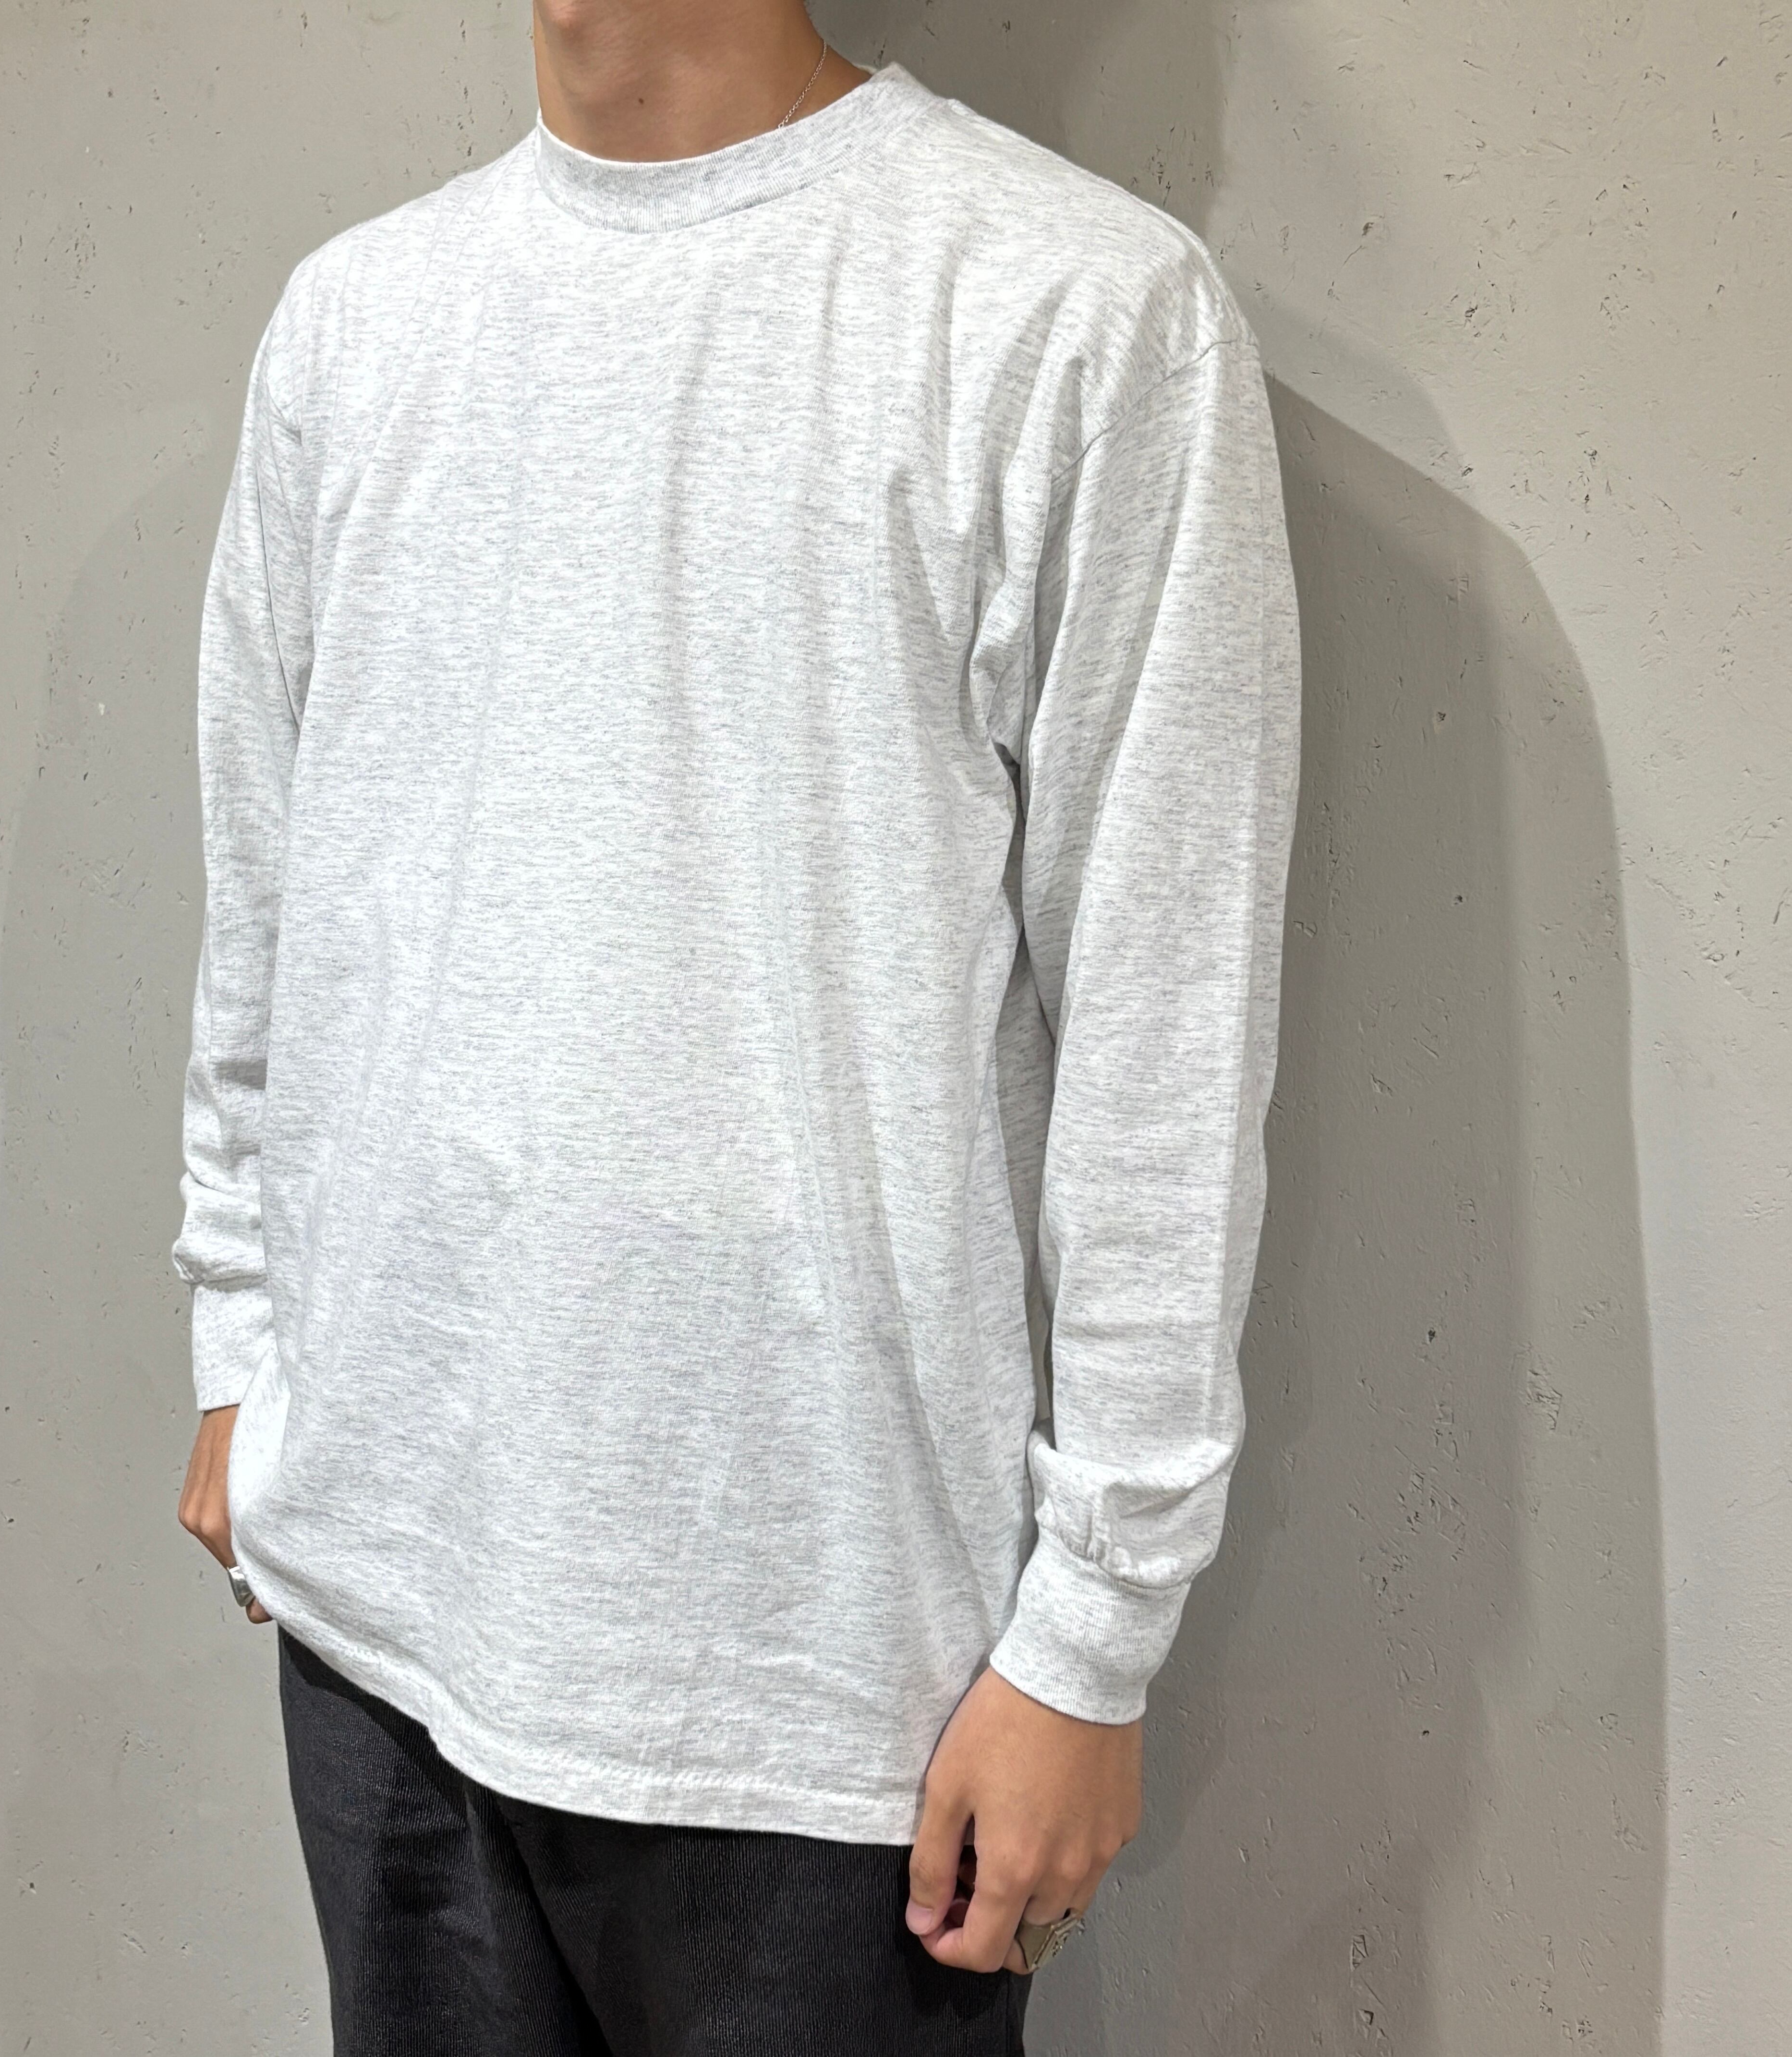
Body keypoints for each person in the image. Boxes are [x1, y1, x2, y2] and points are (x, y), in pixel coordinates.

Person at [170, 2, 1301, 2049]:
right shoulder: (355, 321)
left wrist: (1095, 1632)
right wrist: (243, 1335)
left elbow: (1166, 1035)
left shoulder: (1076, 309)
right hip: (379, 1603)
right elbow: (271, 889)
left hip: (829, 1689)